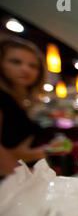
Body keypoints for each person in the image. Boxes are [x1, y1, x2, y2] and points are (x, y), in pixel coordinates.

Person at [0, 38, 47, 176]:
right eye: (15, 62)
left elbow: (15, 152)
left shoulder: (16, 101)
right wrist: (25, 178)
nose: (25, 69)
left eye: (33, 66)